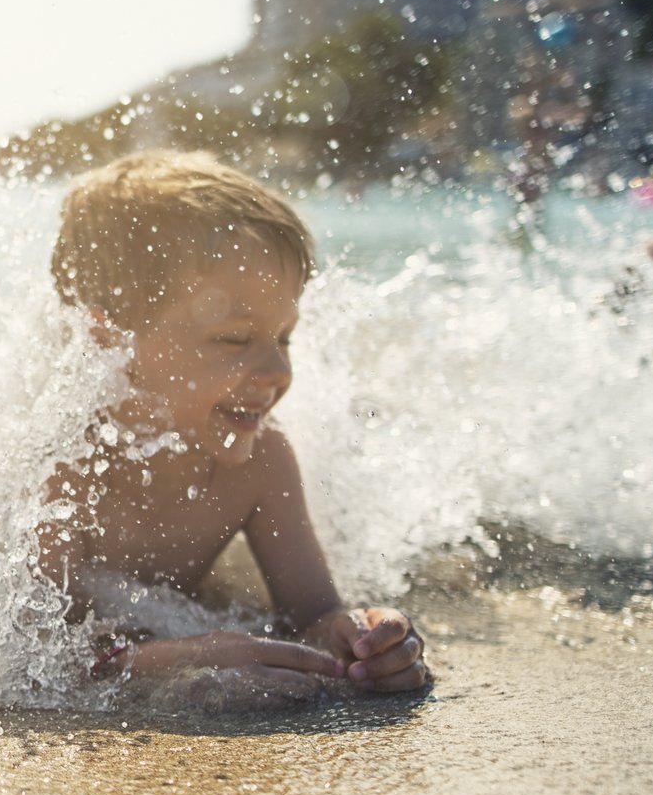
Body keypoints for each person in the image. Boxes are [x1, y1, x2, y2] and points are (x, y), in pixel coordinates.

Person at [39, 150, 430, 700]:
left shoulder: (262, 464)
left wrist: (362, 641)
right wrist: (181, 659)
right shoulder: (56, 470)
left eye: (284, 338)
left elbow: (314, 614)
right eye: (235, 339)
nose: (278, 371)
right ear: (108, 341)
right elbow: (21, 660)